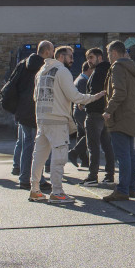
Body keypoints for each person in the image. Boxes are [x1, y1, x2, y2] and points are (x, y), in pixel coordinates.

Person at [29, 45, 104, 203]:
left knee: (39, 156)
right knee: (59, 156)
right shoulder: (62, 71)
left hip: (42, 118)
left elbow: (35, 96)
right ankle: (57, 192)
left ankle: (35, 189)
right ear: (61, 57)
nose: (72, 59)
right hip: (57, 119)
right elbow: (74, 96)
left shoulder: (41, 71)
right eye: (70, 56)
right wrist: (94, 97)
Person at [101, 41, 135, 202]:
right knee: (130, 154)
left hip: (119, 116)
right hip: (130, 114)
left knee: (123, 155)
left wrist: (108, 110)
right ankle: (130, 188)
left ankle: (122, 189)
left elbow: (119, 92)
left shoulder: (117, 67)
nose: (108, 57)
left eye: (109, 53)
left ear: (115, 53)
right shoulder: (132, 68)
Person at [9, 42, 51, 193]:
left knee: (26, 143)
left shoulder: (22, 64)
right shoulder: (44, 68)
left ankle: (27, 175)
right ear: (46, 52)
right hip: (34, 110)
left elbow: (13, 84)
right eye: (51, 51)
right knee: (33, 146)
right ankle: (27, 178)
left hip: (22, 110)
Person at [82, 46, 116, 186]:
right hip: (105, 114)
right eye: (87, 58)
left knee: (93, 146)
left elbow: (95, 94)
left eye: (91, 57)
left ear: (100, 57)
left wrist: (85, 102)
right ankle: (109, 175)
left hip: (95, 113)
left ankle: (92, 176)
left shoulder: (98, 72)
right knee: (107, 145)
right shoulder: (110, 70)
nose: (89, 61)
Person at [68, 56, 92, 169]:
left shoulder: (78, 79)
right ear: (88, 69)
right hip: (82, 111)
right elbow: (83, 98)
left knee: (81, 135)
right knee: (89, 134)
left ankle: (84, 160)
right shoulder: (83, 81)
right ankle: (74, 153)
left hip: (77, 112)